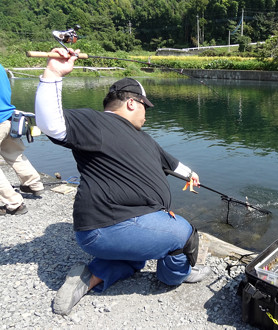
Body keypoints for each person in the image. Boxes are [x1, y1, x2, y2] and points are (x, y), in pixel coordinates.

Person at [35, 48, 212, 316]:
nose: (146, 113)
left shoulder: (144, 139)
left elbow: (172, 164)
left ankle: (89, 277)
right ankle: (174, 276)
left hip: (120, 228)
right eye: (145, 106)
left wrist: (190, 174)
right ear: (132, 102)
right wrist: (53, 74)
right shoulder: (98, 122)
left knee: (137, 257)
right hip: (111, 226)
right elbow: (52, 125)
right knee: (185, 233)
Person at [0, 63, 44, 215]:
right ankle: (33, 184)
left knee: (14, 153)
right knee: (14, 153)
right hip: (8, 117)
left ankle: (13, 203)